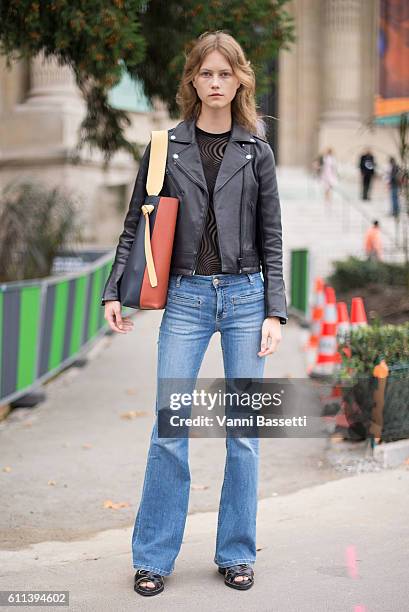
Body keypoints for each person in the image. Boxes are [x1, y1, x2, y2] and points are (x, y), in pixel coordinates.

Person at [101, 30, 287, 597]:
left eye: (224, 74)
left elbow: (272, 237)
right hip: (183, 299)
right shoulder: (163, 148)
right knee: (169, 429)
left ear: (239, 81)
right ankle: (153, 558)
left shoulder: (257, 151)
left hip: (244, 298)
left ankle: (236, 553)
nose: (215, 83)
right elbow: (137, 223)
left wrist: (274, 311)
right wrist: (114, 290)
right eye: (205, 73)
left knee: (244, 433)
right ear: (193, 80)